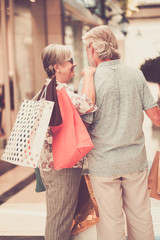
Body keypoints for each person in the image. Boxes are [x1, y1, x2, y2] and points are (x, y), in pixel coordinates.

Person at [78, 25, 160, 240]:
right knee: (141, 216)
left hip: (104, 164)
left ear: (93, 49)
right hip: (134, 161)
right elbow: (156, 117)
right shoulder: (135, 75)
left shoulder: (89, 80)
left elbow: (84, 124)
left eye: (88, 48)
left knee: (110, 220)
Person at [38, 43, 96, 240]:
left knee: (58, 216)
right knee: (60, 219)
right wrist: (88, 75)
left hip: (52, 164)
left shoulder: (47, 90)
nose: (75, 64)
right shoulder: (60, 91)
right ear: (57, 66)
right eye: (70, 61)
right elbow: (88, 104)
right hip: (62, 165)